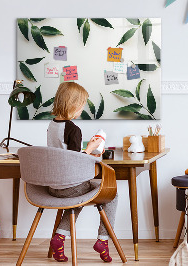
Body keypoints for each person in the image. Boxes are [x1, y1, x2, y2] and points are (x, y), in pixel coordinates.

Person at [47, 82, 117, 263]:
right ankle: (103, 240)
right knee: (112, 194)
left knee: (77, 197)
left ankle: (59, 238)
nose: (82, 109)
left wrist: (86, 150)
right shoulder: (73, 129)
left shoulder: (52, 125)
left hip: (53, 186)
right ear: (73, 104)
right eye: (82, 104)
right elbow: (75, 161)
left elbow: (64, 154)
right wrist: (92, 148)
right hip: (70, 186)